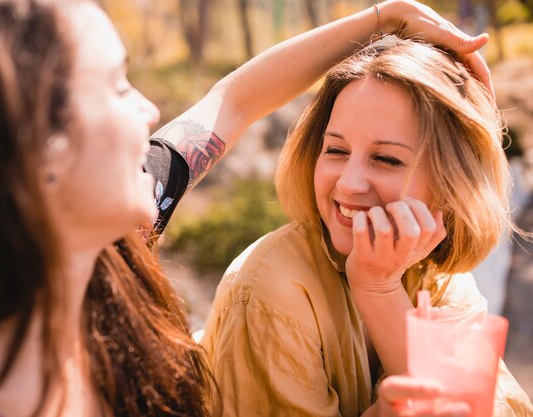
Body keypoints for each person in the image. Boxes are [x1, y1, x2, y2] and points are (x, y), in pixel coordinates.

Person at [0, 0, 499, 415]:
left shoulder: (125, 232)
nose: (148, 110)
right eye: (117, 85)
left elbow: (234, 100)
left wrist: (385, 18)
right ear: (29, 144)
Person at [201, 36, 533, 416]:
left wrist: (379, 289)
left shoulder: (442, 280)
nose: (348, 183)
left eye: (386, 159)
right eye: (336, 150)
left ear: (451, 182)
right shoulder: (269, 288)